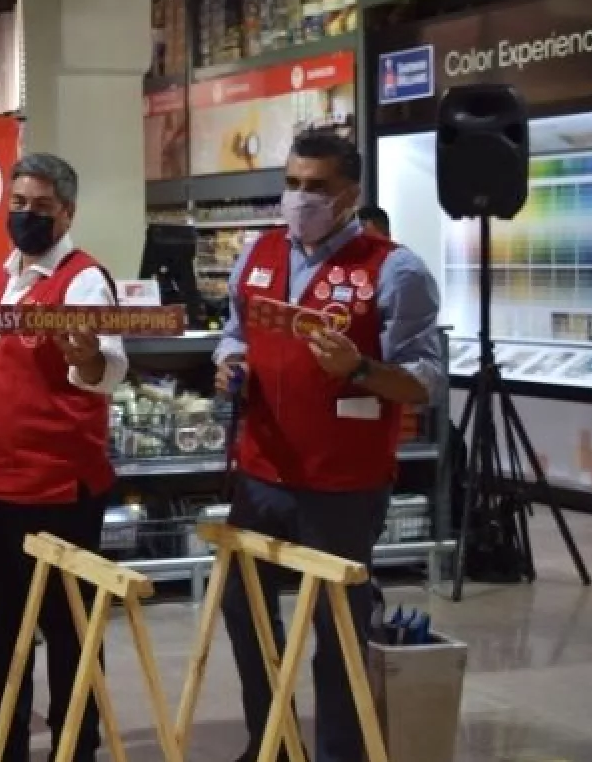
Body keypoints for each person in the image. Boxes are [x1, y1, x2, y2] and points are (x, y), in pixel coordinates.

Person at [214, 132, 442, 762]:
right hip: (261, 473)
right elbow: (234, 333)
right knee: (242, 608)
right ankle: (273, 743)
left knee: (337, 625)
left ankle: (341, 751)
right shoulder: (257, 254)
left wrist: (360, 368)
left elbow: (423, 381)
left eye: (317, 186)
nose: (300, 197)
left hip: (343, 484)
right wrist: (231, 364)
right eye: (292, 183)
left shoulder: (394, 269)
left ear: (351, 194)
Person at [0, 153, 130, 762]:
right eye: (17, 203)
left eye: (40, 206)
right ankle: (1, 747)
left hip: (58, 491)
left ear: (67, 212)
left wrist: (86, 357)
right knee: (0, 635)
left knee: (69, 634)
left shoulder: (85, 281)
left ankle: (74, 748)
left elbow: (109, 369)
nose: (26, 214)